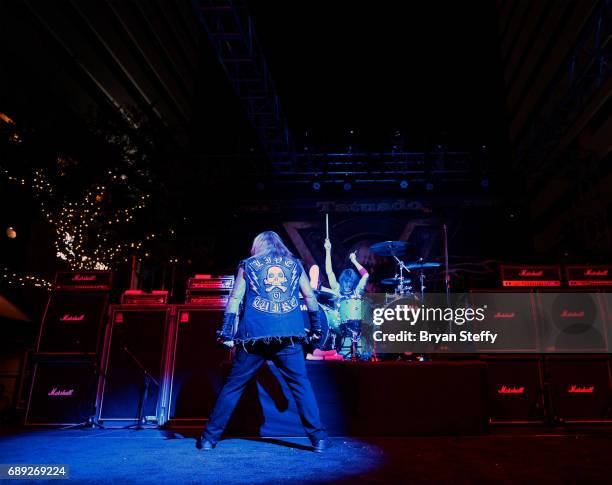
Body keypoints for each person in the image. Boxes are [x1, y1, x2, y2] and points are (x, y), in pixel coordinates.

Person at [196, 231, 331, 452]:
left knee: (233, 387)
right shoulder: (294, 265)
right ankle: (319, 440)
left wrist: (227, 331)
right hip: (288, 335)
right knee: (301, 386)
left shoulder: (248, 265)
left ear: (257, 246)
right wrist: (316, 328)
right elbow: (309, 297)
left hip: (254, 337)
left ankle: (208, 439)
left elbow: (235, 298)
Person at [322, 238, 369, 358]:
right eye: (345, 282)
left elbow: (366, 275)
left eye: (350, 282)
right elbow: (329, 272)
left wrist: (354, 260)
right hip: (341, 326)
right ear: (342, 281)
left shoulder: (357, 291)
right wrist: (328, 250)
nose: (347, 285)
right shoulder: (338, 289)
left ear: (353, 283)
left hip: (359, 324)